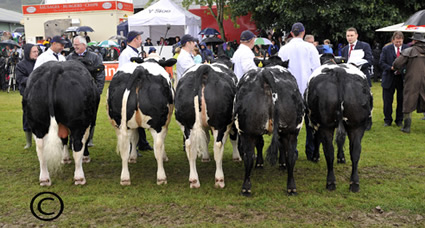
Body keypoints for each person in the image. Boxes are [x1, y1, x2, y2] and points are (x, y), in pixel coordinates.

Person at [278, 22, 320, 161]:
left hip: (288, 91)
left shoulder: (283, 49)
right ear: (303, 32)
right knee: (310, 122)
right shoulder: (310, 48)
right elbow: (316, 70)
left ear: (291, 33)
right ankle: (311, 152)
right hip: (307, 90)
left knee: (288, 124)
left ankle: (291, 152)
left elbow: (280, 71)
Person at [66, 36, 105, 154]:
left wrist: (97, 91)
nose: (75, 47)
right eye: (74, 44)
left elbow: (100, 75)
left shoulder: (94, 57)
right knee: (71, 117)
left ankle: (88, 139)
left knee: (90, 117)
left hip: (90, 94)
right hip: (72, 96)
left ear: (84, 45)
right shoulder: (69, 57)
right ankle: (71, 140)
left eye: (77, 45)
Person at [118, 30, 153, 151]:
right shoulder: (126, 54)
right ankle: (133, 146)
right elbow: (124, 72)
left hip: (138, 89)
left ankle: (142, 143)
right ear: (134, 40)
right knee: (132, 119)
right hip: (130, 90)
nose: (141, 41)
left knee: (140, 115)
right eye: (139, 38)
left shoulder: (136, 52)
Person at [393, 32, 425, 133]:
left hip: (412, 80)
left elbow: (397, 63)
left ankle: (407, 127)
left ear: (414, 41)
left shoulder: (409, 51)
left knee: (408, 101)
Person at [379, 31, 408, 127]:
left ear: (403, 40)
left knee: (401, 100)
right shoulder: (386, 49)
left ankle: (399, 120)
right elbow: (381, 62)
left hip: (402, 78)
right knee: (387, 101)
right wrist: (390, 68)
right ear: (393, 40)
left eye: (400, 42)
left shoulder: (407, 49)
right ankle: (387, 120)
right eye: (397, 42)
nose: (398, 44)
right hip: (389, 77)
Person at [15, 44, 39, 149]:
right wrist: (34, 78)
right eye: (34, 51)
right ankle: (28, 142)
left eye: (37, 51)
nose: (36, 53)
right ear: (28, 52)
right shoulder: (21, 65)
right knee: (27, 118)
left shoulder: (40, 62)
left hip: (41, 95)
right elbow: (20, 79)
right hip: (27, 95)